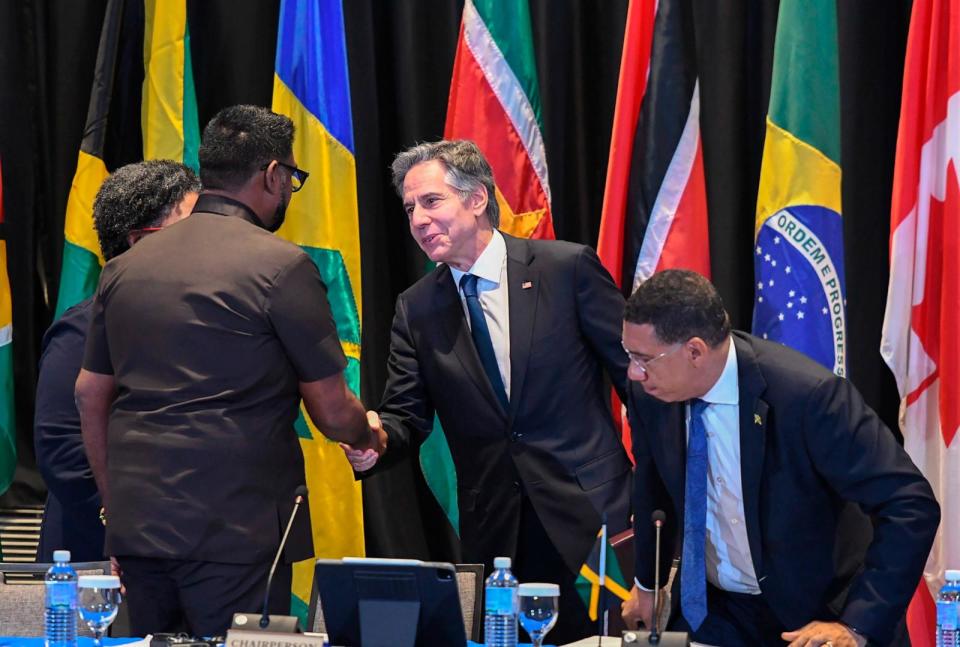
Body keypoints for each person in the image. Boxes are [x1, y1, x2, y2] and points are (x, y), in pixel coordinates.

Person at [75, 105, 382, 637]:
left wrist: (117, 510)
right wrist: (368, 433)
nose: (290, 189)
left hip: (138, 530)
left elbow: (88, 394)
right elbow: (332, 413)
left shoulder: (124, 268)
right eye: (291, 176)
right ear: (271, 174)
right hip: (237, 535)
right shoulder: (281, 266)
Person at [344, 139, 631, 642]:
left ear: (478, 198)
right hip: (499, 537)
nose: (418, 219)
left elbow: (638, 379)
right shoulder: (418, 308)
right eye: (410, 208)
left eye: (432, 201)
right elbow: (405, 416)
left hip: (593, 519)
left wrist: (661, 486)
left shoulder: (565, 270)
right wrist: (375, 443)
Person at [620, 269, 939, 647]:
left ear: (694, 351)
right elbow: (652, 485)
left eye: (643, 358)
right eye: (628, 356)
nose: (633, 373)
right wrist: (648, 583)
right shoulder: (651, 394)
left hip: (817, 616)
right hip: (718, 613)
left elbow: (910, 503)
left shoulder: (809, 398)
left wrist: (857, 625)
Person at [35, 160, 200, 563]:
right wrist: (138, 524)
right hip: (98, 559)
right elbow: (62, 449)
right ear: (136, 242)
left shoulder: (203, 322)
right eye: (192, 231)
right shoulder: (83, 328)